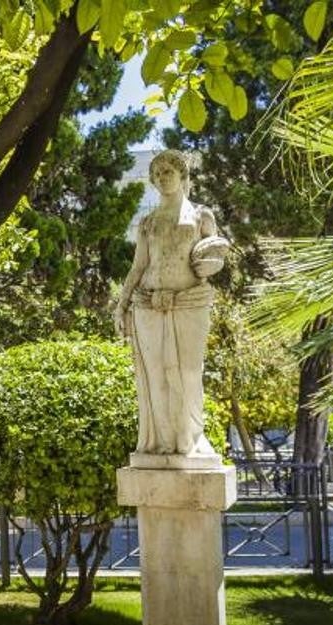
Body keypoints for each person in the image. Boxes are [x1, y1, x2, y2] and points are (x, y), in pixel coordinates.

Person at [116, 149, 230, 457]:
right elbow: (138, 267)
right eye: (158, 174)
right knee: (156, 377)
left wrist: (214, 261)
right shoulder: (148, 222)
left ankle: (191, 438)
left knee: (190, 373)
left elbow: (214, 255)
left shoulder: (201, 216)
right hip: (148, 305)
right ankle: (163, 443)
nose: (163, 178)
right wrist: (121, 304)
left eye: (169, 171)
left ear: (182, 175)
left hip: (190, 303)